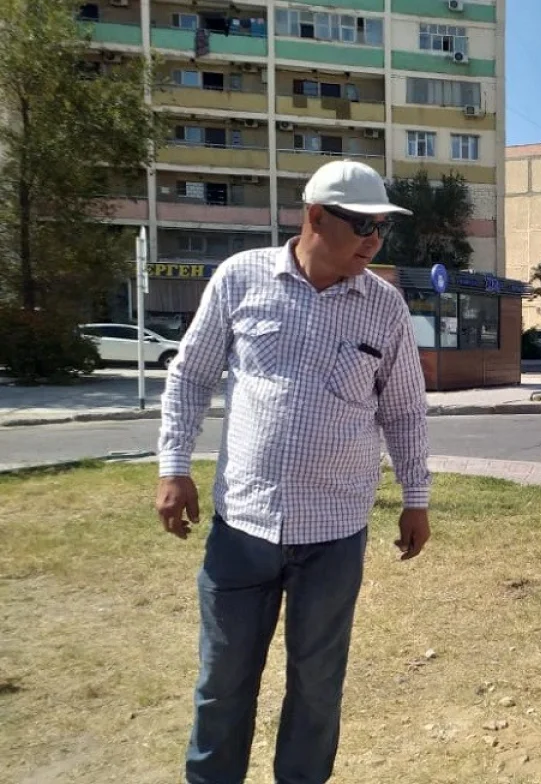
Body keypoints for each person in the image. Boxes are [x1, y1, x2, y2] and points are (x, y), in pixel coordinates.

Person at [154, 159, 432, 784]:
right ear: (314, 216)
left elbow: (406, 411)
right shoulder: (240, 278)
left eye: (381, 228)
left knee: (316, 687)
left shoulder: (383, 306)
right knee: (222, 682)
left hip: (334, 534)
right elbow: (191, 376)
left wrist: (416, 497)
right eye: (361, 224)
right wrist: (174, 467)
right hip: (242, 528)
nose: (373, 240)